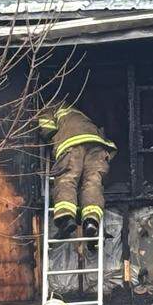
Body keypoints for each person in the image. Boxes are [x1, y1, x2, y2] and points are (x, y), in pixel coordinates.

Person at [38, 102, 116, 241]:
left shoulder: (52, 106)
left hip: (72, 146)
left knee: (67, 180)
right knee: (92, 183)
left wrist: (49, 141)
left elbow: (47, 130)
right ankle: (91, 221)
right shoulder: (85, 119)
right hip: (98, 147)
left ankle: (66, 219)